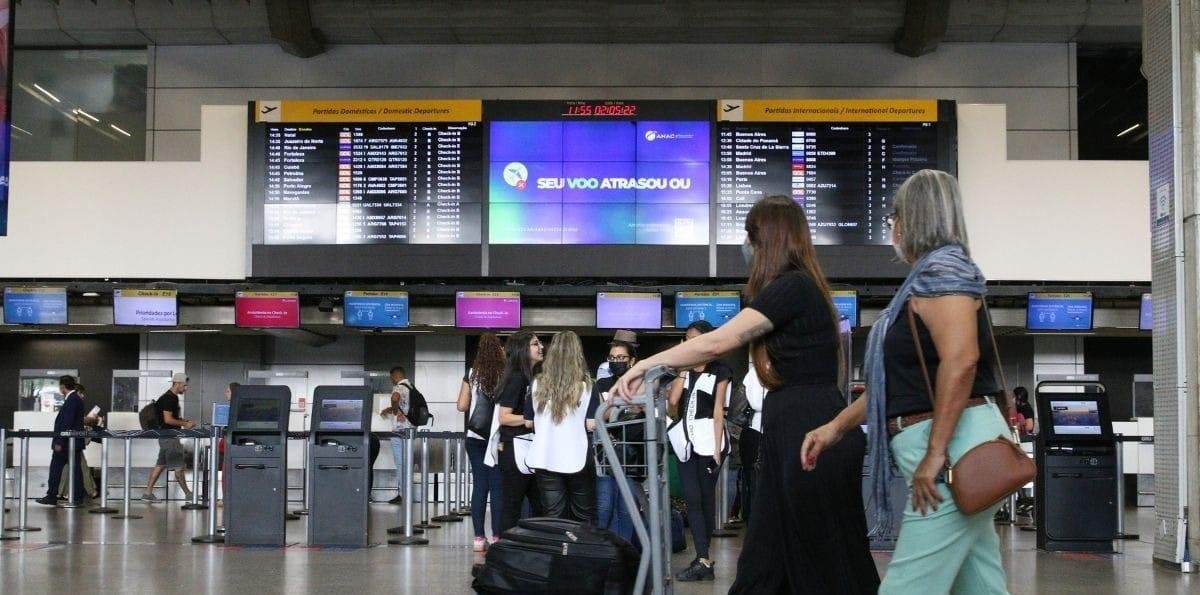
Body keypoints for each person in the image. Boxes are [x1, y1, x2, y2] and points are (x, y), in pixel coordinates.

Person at [615, 194, 879, 593]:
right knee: (768, 559)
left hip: (807, 429)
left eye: (750, 237)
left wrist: (642, 365)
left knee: (823, 561)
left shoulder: (793, 287)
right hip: (795, 425)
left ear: (768, 241)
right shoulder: (802, 289)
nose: (745, 247)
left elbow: (716, 342)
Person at [802, 169, 1010, 594]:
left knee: (906, 587)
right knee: (980, 585)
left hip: (951, 452)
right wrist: (836, 427)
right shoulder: (929, 277)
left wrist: (935, 454)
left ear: (914, 218)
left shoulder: (943, 272)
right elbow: (893, 385)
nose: (891, 228)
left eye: (893, 217)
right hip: (956, 444)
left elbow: (961, 360)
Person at [665, 320, 732, 581]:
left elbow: (718, 412)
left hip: (709, 441)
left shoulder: (720, 370)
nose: (689, 341)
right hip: (686, 442)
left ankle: (703, 558)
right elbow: (672, 401)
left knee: (705, 499)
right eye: (686, 338)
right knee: (692, 499)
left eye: (694, 337)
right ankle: (703, 558)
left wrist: (716, 449)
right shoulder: (683, 369)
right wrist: (682, 368)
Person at [524, 331, 599, 523]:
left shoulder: (537, 384)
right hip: (578, 458)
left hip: (545, 457)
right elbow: (592, 425)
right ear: (578, 353)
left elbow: (528, 422)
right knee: (584, 518)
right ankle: (580, 552)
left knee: (553, 516)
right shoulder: (588, 386)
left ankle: (557, 553)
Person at [457, 332, 506, 551]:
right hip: (497, 438)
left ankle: (478, 538)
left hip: (475, 437)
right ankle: (497, 537)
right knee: (497, 488)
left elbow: (461, 406)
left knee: (479, 486)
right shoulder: (506, 374)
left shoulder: (471, 374)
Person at [593, 330, 640, 542]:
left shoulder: (641, 384)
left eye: (621, 358)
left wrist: (613, 411)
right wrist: (626, 409)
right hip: (605, 454)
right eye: (612, 358)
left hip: (632, 455)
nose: (616, 362)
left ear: (632, 361)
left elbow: (643, 414)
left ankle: (625, 556)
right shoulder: (601, 385)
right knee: (604, 507)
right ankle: (606, 555)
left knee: (627, 508)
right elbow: (601, 415)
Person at [495, 330, 545, 532]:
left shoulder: (532, 377)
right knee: (512, 506)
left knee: (539, 505)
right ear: (523, 350)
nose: (541, 347)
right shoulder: (517, 378)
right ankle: (505, 551)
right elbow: (503, 416)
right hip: (515, 449)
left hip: (526, 449)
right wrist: (529, 420)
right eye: (535, 344)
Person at [143, 373, 196, 503]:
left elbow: (171, 418)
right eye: (184, 386)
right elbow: (168, 419)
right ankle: (189, 494)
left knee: (160, 464)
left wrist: (184, 420)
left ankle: (147, 493)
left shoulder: (172, 398)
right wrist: (185, 424)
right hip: (169, 437)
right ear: (177, 383)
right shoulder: (169, 399)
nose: (186, 388)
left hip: (165, 436)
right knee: (179, 467)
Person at [37, 375, 87, 506]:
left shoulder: (72, 400)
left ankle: (52, 495)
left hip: (66, 443)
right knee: (76, 470)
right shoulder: (75, 398)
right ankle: (77, 497)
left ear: (63, 387)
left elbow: (66, 422)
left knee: (56, 468)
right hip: (72, 442)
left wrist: (59, 442)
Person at [58, 383, 101, 500]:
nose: (83, 396)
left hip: (70, 441)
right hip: (71, 441)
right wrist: (91, 420)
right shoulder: (74, 403)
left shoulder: (72, 403)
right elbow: (77, 420)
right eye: (81, 393)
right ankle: (91, 491)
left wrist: (90, 421)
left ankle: (62, 492)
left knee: (72, 466)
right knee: (81, 465)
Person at [738, 356, 765, 524]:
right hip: (757, 432)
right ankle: (756, 519)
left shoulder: (753, 373)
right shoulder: (756, 373)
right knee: (755, 480)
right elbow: (756, 403)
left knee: (754, 479)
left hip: (755, 433)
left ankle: (753, 519)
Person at [383, 366, 414, 505]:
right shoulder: (411, 387)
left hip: (399, 431)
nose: (391, 381)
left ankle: (403, 494)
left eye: (391, 378)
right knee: (407, 462)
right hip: (410, 430)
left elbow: (395, 398)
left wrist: (394, 411)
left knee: (401, 463)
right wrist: (392, 409)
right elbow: (405, 406)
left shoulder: (398, 387)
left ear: (395, 376)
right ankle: (407, 493)